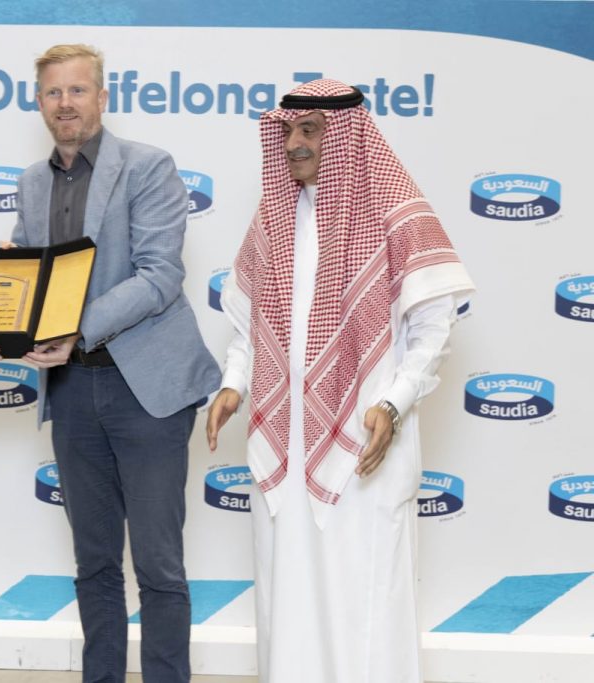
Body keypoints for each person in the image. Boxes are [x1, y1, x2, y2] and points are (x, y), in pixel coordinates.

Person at [206, 79, 474, 683]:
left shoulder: (396, 212)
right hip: (284, 436)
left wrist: (394, 402)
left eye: (310, 130)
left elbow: (434, 328)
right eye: (288, 131)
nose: (293, 144)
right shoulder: (274, 217)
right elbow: (249, 325)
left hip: (363, 439)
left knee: (364, 601)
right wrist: (234, 383)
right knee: (287, 597)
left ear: (347, 138)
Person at [8, 44, 221, 683]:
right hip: (72, 389)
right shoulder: (31, 182)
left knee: (158, 565)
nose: (65, 104)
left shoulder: (148, 166)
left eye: (77, 91)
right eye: (53, 92)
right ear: (39, 102)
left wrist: (75, 329)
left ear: (102, 98)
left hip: (147, 390)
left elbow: (159, 275)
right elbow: (30, 276)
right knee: (94, 563)